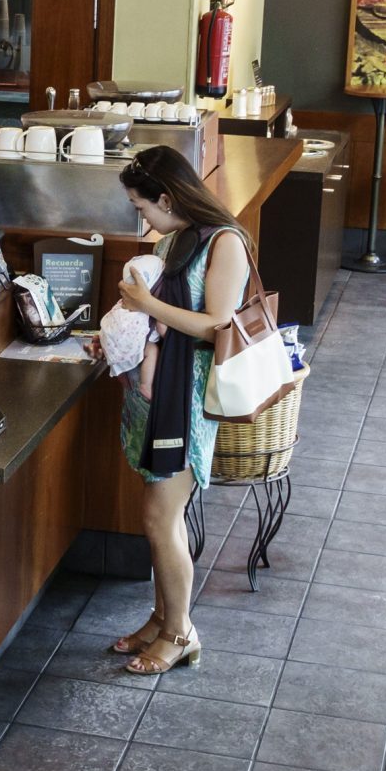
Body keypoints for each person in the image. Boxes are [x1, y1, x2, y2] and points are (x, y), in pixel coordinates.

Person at [102, 145, 251, 676]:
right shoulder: (175, 237)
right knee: (157, 514)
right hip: (160, 393)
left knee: (160, 517)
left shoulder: (224, 243)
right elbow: (163, 328)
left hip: (186, 400)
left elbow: (217, 324)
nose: (141, 217)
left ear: (167, 197)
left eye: (143, 207)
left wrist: (147, 306)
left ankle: (181, 631)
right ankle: (160, 617)